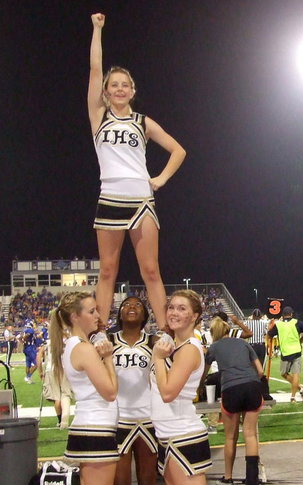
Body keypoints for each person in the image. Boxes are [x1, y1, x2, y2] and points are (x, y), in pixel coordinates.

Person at [88, 13, 186, 329]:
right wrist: (97, 29)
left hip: (141, 199)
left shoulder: (143, 122)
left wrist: (161, 178)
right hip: (110, 198)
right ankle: (99, 334)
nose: (119, 88)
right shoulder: (98, 117)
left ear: (132, 90)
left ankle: (166, 331)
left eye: (125, 85)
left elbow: (178, 150)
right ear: (106, 91)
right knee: (107, 270)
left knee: (151, 270)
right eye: (113, 85)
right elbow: (94, 70)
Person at [151, 289, 230, 485]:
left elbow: (168, 391)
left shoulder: (189, 350)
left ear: (195, 315)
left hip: (184, 435)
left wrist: (158, 359)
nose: (174, 312)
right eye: (171, 307)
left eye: (182, 308)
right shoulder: (177, 346)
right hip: (167, 434)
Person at [49, 291, 124, 485]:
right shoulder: (83, 349)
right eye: (91, 311)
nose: (98, 315)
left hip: (87, 430)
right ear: (74, 317)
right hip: (96, 432)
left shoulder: (71, 346)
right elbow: (110, 391)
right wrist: (107, 357)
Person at [109, 296, 159, 485]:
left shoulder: (153, 343)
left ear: (145, 315)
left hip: (148, 419)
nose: (131, 307)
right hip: (119, 420)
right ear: (119, 313)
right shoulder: (107, 341)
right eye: (126, 304)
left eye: (137, 305)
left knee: (148, 483)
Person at [206, 315, 265, 485]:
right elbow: (260, 370)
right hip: (252, 386)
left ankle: (228, 477)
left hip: (230, 389)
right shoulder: (243, 342)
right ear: (227, 330)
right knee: (250, 434)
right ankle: (252, 480)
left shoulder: (214, 347)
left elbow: (203, 372)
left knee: (230, 437)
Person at [267, 306, 303, 402]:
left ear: (282, 315)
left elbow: (269, 335)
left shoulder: (278, 325)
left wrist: (270, 327)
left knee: (284, 373)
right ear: (291, 314)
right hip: (296, 350)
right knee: (295, 374)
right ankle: (295, 395)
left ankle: (298, 392)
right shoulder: (296, 322)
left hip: (285, 352)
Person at [38, 339, 74, 429]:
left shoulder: (47, 343)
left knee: (56, 396)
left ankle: (60, 420)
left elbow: (38, 357)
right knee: (65, 394)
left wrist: (40, 371)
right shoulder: (67, 342)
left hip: (51, 369)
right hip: (65, 369)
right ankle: (64, 418)